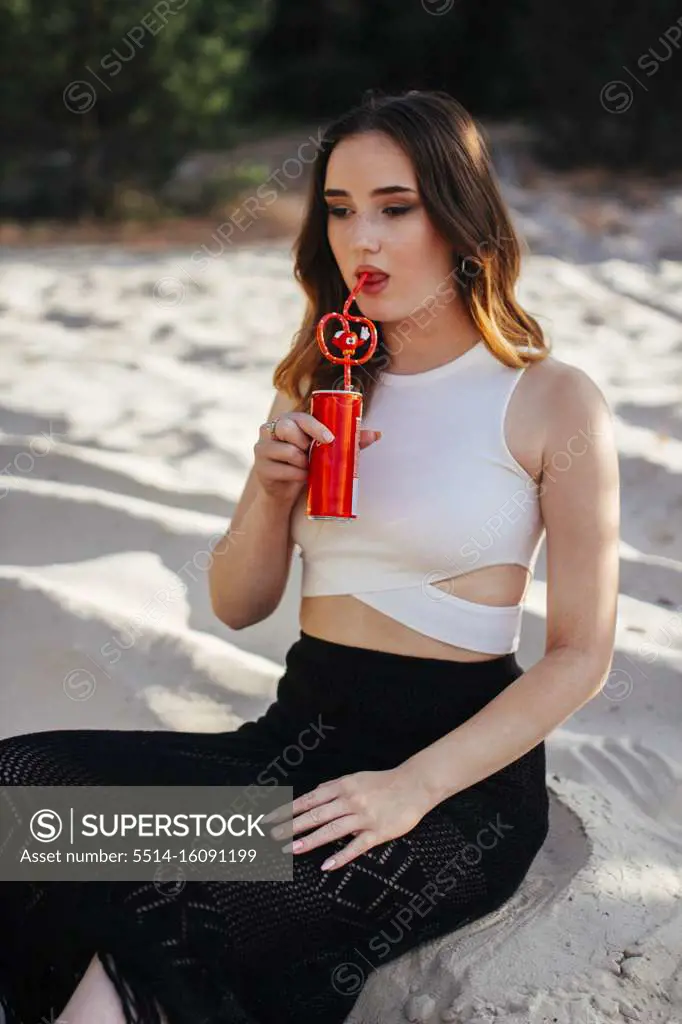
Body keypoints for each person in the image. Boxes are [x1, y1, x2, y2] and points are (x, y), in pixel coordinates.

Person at [0, 88, 620, 1024]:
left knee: (163, 899)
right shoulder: (316, 381)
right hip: (292, 750)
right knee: (21, 798)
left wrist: (410, 789)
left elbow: (583, 655)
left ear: (459, 213)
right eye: (338, 210)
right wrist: (269, 487)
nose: (360, 239)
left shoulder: (549, 401)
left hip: (450, 791)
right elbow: (238, 604)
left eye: (393, 208)